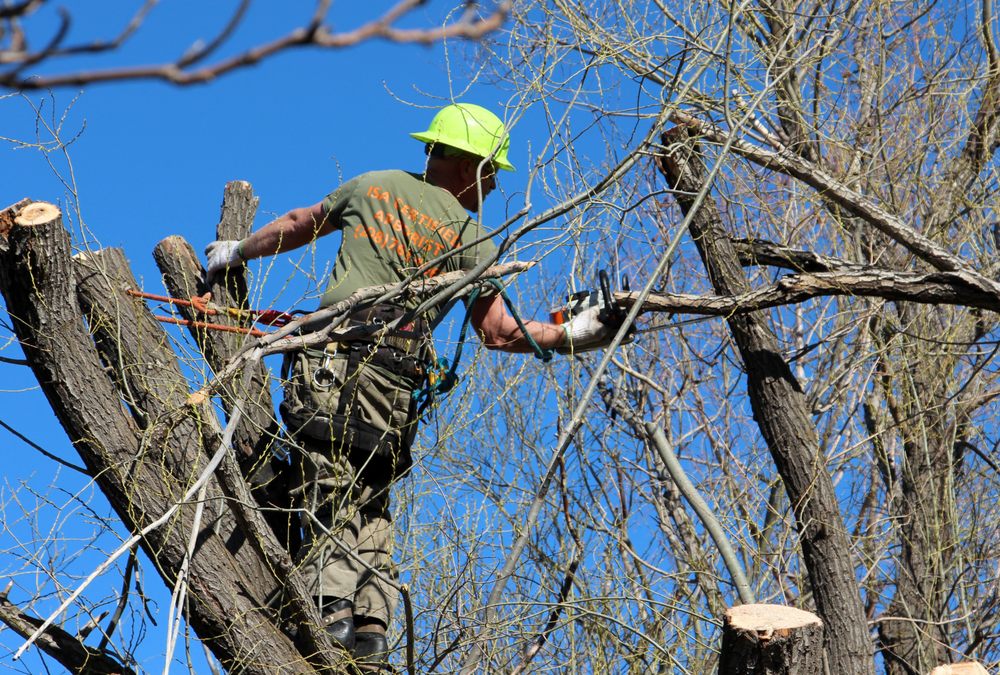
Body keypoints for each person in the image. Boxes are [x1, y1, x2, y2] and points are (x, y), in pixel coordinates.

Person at [204, 103, 616, 670]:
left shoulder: (374, 186)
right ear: (468, 164)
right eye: (492, 171)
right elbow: (500, 333)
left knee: (331, 482)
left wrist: (237, 250)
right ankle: (370, 622)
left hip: (335, 362)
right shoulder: (475, 240)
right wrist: (573, 333)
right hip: (396, 386)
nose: (494, 185)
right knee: (370, 490)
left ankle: (324, 608)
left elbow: (300, 223)